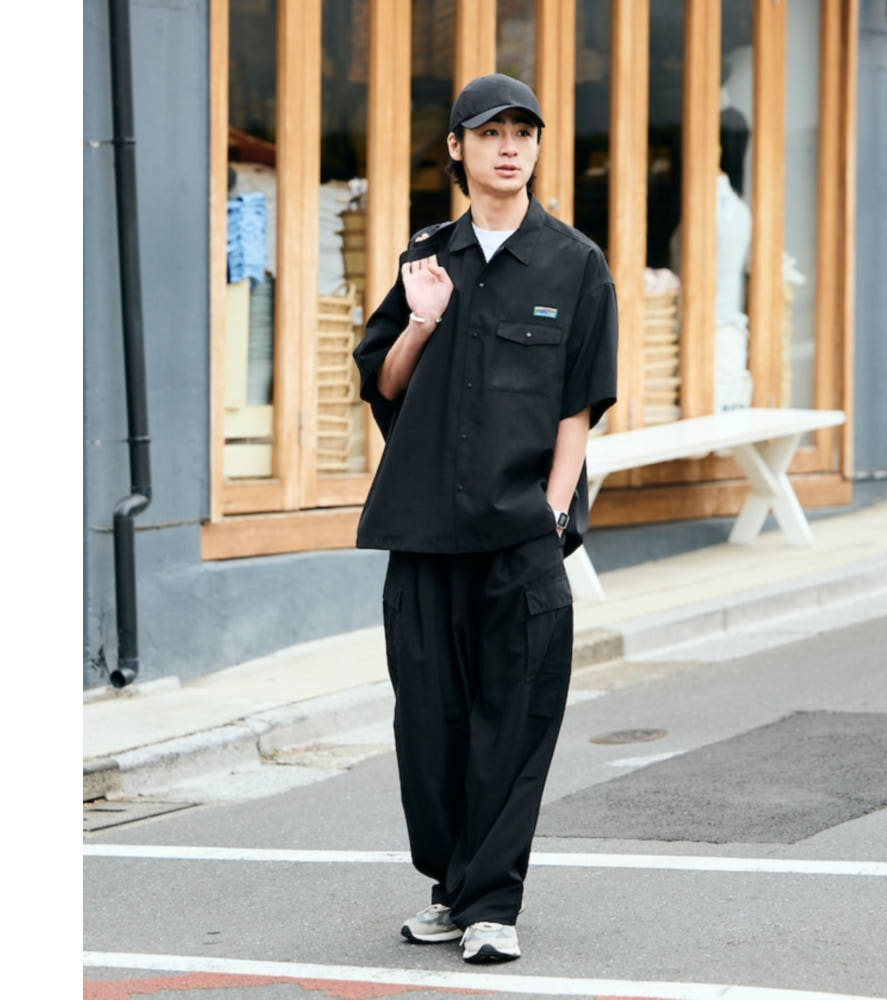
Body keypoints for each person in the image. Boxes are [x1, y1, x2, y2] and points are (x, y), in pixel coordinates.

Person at [352, 73, 618, 964]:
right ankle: (451, 887)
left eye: (523, 133)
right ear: (457, 150)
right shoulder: (427, 259)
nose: (509, 147)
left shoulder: (575, 264)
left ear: (536, 148)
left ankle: (491, 904)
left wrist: (554, 511)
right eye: (490, 132)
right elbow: (386, 384)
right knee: (429, 729)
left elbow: (578, 404)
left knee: (517, 721)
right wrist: (422, 322)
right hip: (426, 532)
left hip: (520, 537)